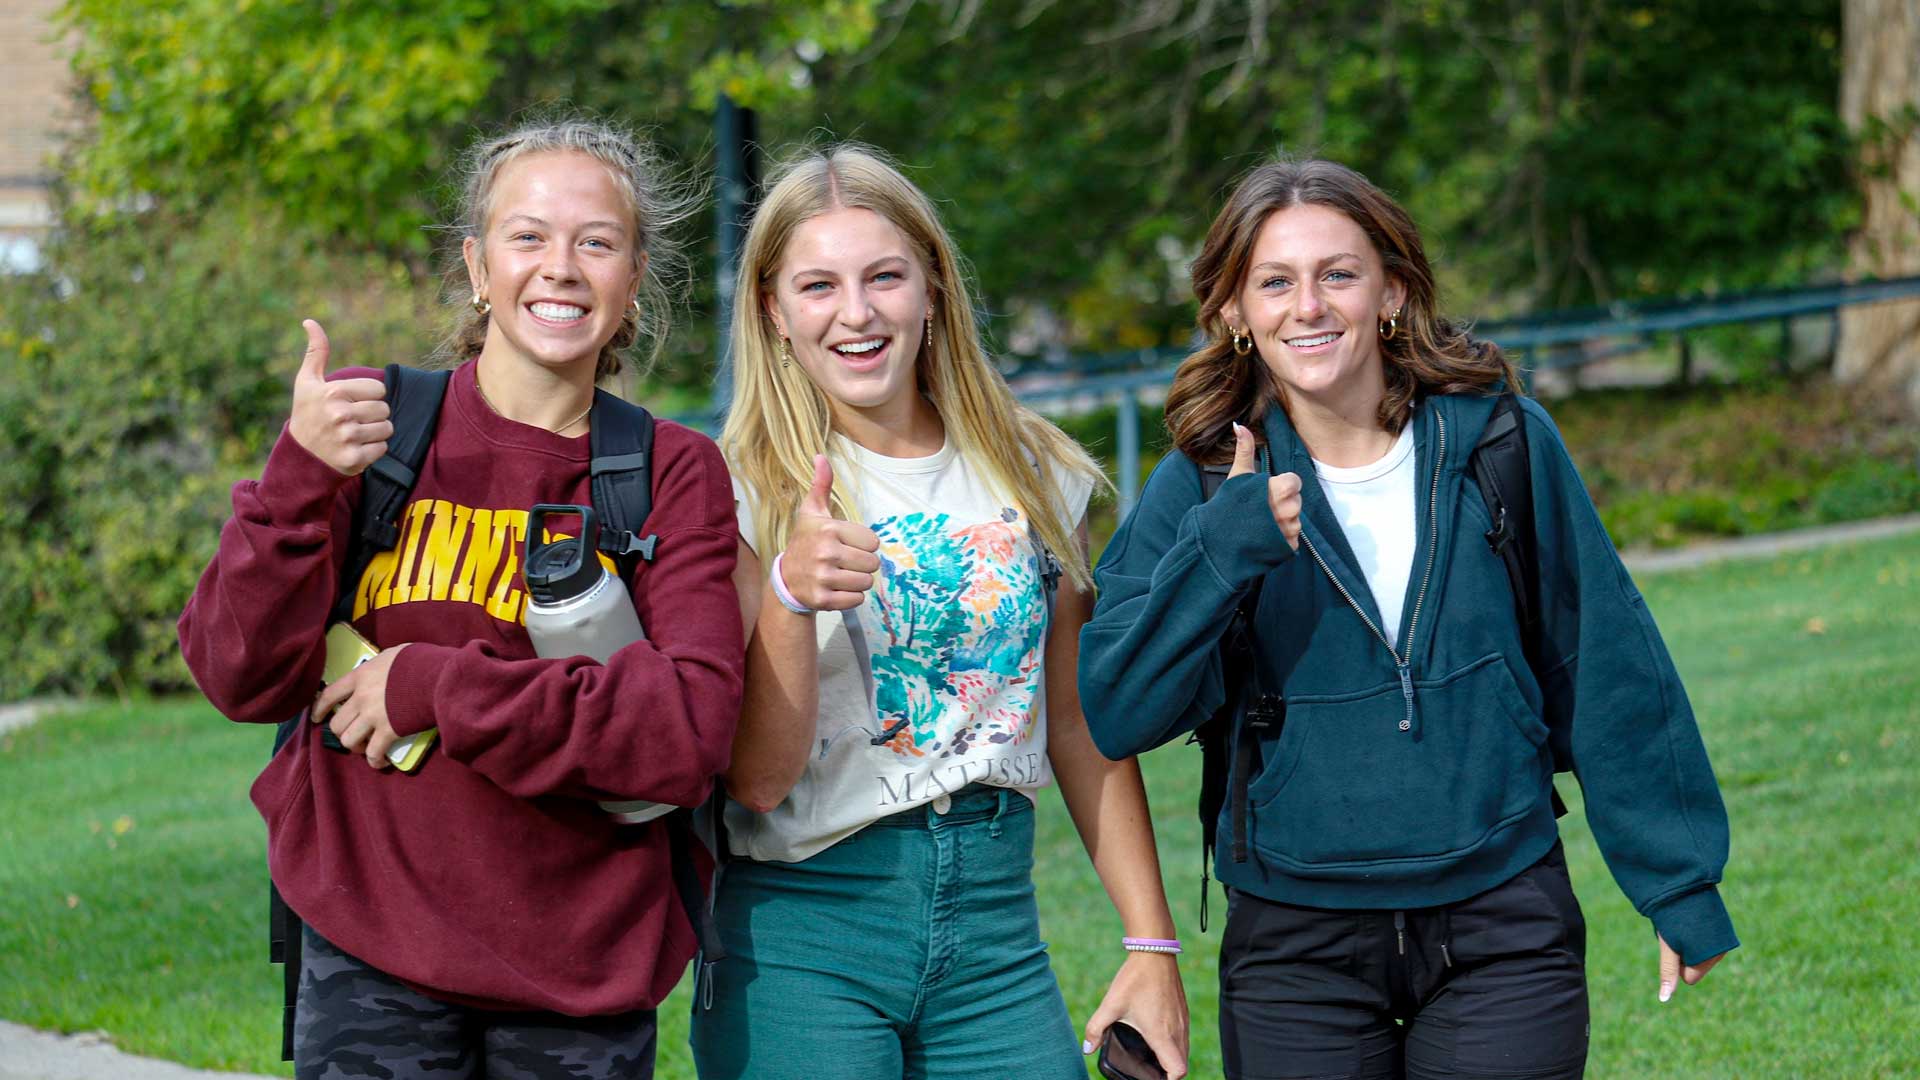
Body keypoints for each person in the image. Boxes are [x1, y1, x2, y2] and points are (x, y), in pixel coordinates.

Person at [1078, 157, 1737, 1080]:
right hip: (1293, 943)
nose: (1307, 305)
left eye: (1337, 274)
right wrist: (1222, 550)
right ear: (1234, 312)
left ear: (1390, 290)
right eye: (1274, 281)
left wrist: (1678, 879)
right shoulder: (1199, 485)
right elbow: (1117, 707)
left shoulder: (1501, 441)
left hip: (1503, 917)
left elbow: (1606, 661)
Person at [177, 116, 745, 1079]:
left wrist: (433, 687)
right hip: (370, 945)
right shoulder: (373, 430)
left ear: (634, 277)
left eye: (595, 242)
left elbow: (683, 734)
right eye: (527, 236)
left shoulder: (670, 471)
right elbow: (239, 675)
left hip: (583, 970)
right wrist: (295, 479)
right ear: (478, 268)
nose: (559, 267)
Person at [690, 144, 1191, 1080]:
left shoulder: (1040, 472)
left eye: (885, 276)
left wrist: (1151, 946)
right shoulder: (735, 491)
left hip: (996, 926)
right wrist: (792, 599)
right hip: (805, 929)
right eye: (817, 285)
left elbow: (1080, 722)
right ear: (773, 310)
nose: (857, 312)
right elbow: (756, 780)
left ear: (932, 289)